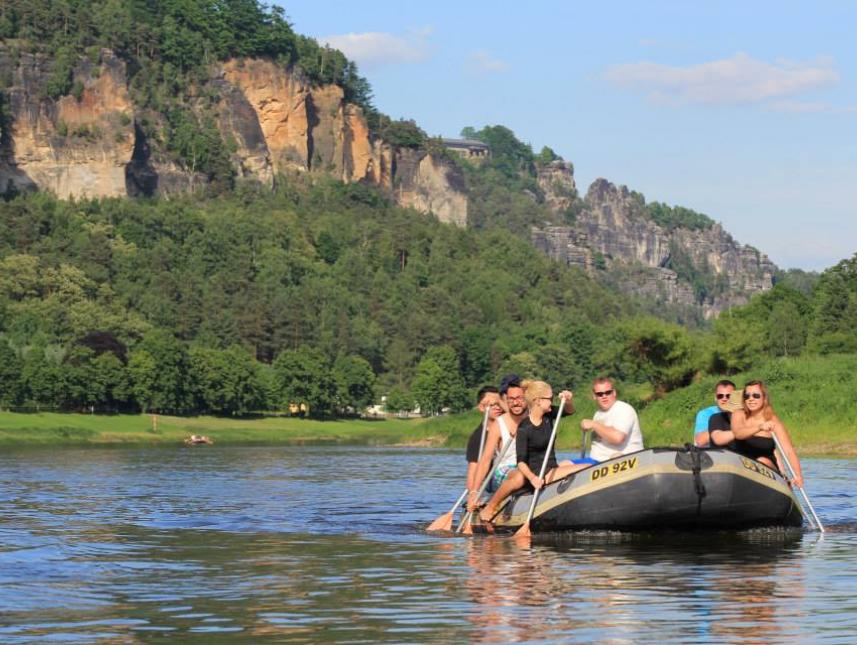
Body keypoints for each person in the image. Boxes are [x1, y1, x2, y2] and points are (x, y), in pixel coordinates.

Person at [479, 380, 585, 523]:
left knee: (584, 466)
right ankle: (491, 506)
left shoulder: (549, 414)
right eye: (550, 399)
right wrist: (533, 478)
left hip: (550, 467)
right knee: (585, 469)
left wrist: (568, 400)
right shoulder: (524, 428)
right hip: (538, 472)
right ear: (538, 401)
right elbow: (521, 462)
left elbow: (569, 410)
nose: (552, 402)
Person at [714, 380, 804, 487]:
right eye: (747, 396)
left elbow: (788, 450)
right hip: (742, 466)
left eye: (756, 395)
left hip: (767, 467)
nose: (751, 399)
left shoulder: (772, 419)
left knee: (761, 460)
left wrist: (798, 475)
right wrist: (759, 427)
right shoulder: (738, 414)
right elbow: (738, 433)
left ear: (764, 398)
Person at [580, 377, 643, 462]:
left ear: (614, 393)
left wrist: (594, 424)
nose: (604, 396)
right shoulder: (597, 414)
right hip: (595, 461)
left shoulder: (623, 409)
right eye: (600, 394)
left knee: (616, 457)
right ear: (594, 396)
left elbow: (617, 438)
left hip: (621, 462)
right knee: (563, 465)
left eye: (608, 392)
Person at [464, 386, 505, 501]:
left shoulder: (511, 424)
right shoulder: (478, 438)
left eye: (499, 404)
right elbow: (473, 470)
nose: (498, 408)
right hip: (493, 482)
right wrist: (473, 494)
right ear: (482, 407)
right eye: (493, 405)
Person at [693, 379, 736, 447]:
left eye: (728, 396)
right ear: (715, 398)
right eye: (720, 396)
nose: (724, 399)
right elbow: (700, 441)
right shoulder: (705, 414)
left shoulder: (740, 413)